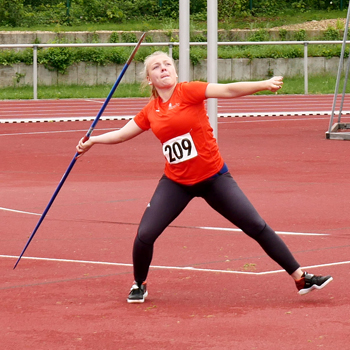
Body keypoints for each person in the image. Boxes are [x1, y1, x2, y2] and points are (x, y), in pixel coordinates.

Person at [76, 51, 333, 304]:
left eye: (167, 64)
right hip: (176, 183)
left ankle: (301, 278)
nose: (164, 68)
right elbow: (122, 134)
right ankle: (139, 283)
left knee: (256, 225)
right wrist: (93, 141)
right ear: (149, 79)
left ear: (175, 71)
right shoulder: (150, 111)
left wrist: (263, 85)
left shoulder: (188, 91)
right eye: (156, 67)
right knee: (145, 234)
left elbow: (229, 90)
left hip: (214, 178)